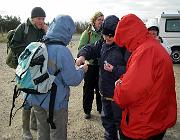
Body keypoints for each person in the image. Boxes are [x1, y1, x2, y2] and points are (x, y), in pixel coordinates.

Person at [113, 14, 177, 140]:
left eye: (124, 40)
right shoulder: (153, 46)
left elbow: (128, 93)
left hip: (143, 125)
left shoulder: (145, 52)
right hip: (156, 117)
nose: (125, 45)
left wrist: (118, 86)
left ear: (128, 35)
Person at [30, 15, 88, 140]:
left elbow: (50, 64)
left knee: (42, 132)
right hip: (54, 104)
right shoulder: (62, 50)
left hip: (36, 99)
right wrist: (82, 70)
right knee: (58, 135)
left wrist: (72, 61)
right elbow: (72, 80)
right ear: (66, 31)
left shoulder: (40, 44)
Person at [76, 15, 130, 140]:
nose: (107, 38)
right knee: (107, 122)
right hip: (105, 93)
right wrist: (83, 56)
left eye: (110, 35)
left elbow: (132, 69)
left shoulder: (125, 48)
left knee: (121, 124)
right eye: (105, 35)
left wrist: (115, 69)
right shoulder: (102, 43)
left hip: (119, 95)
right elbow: (89, 48)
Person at [10, 7, 48, 140]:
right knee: (27, 97)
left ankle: (33, 123)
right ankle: (25, 129)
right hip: (25, 68)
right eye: (39, 19)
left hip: (37, 68)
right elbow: (14, 46)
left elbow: (48, 44)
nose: (41, 21)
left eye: (43, 19)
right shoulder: (23, 27)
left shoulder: (42, 29)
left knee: (37, 92)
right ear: (32, 18)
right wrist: (30, 52)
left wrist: (47, 31)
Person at [78, 11, 104, 119]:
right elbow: (81, 49)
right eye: (99, 20)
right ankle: (87, 110)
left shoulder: (104, 33)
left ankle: (100, 109)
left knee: (100, 89)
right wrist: (88, 57)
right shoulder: (87, 33)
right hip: (90, 66)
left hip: (101, 66)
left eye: (103, 20)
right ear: (94, 20)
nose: (101, 22)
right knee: (88, 89)